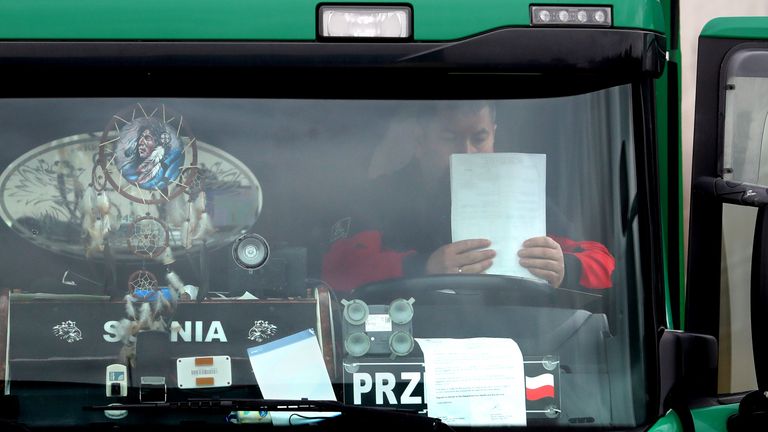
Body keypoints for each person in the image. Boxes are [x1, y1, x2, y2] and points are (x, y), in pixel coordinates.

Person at [322, 101, 615, 292]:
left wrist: (566, 266)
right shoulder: (383, 197)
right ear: (420, 140)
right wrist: (423, 268)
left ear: (494, 135)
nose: (466, 152)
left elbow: (607, 265)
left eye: (478, 138)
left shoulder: (520, 195)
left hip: (511, 342)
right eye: (450, 139)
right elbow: (337, 271)